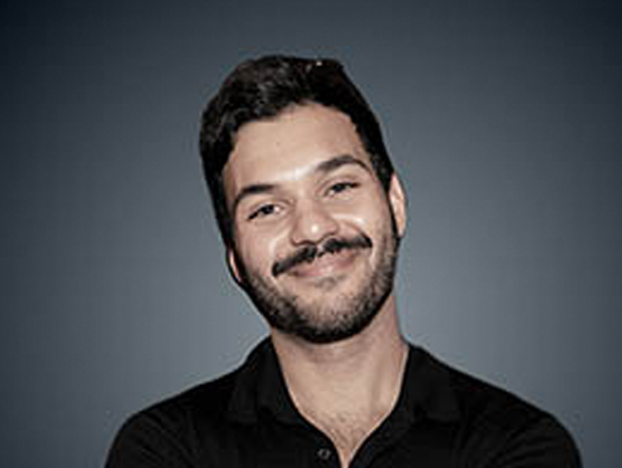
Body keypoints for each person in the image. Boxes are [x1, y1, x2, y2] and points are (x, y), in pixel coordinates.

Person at [105, 55, 582, 468]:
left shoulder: (517, 443)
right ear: (234, 258)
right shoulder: (166, 448)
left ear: (395, 203)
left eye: (338, 186)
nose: (313, 228)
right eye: (266, 209)